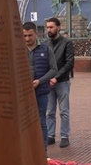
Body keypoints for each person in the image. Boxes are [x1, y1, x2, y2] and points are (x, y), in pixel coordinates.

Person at [22, 22, 57, 147]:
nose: (27, 39)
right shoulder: (18, 51)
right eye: (24, 36)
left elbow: (53, 69)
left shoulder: (45, 49)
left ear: (36, 34)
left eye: (30, 35)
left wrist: (40, 81)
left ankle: (43, 149)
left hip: (41, 91)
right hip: (23, 93)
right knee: (24, 121)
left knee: (41, 120)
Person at [45, 17, 74, 148]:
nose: (48, 30)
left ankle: (64, 136)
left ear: (58, 27)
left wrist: (56, 77)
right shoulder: (45, 44)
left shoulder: (67, 42)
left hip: (62, 81)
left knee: (64, 111)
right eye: (47, 27)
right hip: (49, 82)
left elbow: (69, 63)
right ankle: (50, 135)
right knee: (49, 111)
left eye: (51, 27)